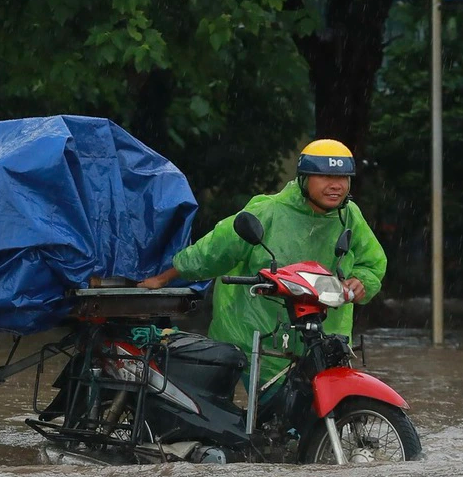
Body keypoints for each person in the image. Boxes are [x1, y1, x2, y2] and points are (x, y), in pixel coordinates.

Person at [137, 139, 387, 379]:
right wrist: (161, 279)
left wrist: (361, 280)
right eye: (325, 176)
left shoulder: (350, 215)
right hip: (261, 332)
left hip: (323, 332)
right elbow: (211, 251)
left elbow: (372, 262)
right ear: (303, 179)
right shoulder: (267, 211)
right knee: (267, 413)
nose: (336, 185)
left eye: (342, 177)